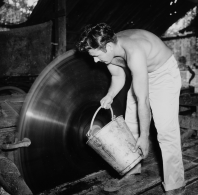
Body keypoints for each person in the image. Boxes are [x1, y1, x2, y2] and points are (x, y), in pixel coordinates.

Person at [76, 23, 185, 194]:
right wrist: (110, 95)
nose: (95, 61)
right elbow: (117, 75)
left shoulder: (134, 52)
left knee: (165, 129)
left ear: (109, 47)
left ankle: (175, 184)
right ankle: (132, 167)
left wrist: (144, 136)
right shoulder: (108, 48)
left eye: (96, 56)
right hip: (141, 71)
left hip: (162, 72)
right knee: (130, 122)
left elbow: (143, 100)